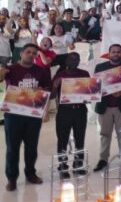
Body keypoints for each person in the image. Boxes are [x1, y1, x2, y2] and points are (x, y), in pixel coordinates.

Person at [2, 43, 51, 191]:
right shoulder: (11, 69)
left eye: (34, 53)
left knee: (31, 148)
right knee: (12, 148)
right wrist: (2, 70)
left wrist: (45, 110)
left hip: (33, 115)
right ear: (21, 53)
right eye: (28, 52)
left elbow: (47, 91)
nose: (31, 54)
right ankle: (12, 178)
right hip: (13, 115)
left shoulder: (41, 71)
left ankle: (30, 174)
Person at [93, 43, 121, 172]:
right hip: (105, 106)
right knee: (105, 134)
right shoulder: (100, 67)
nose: (116, 54)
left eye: (118, 52)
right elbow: (95, 86)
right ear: (109, 53)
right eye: (113, 52)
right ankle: (103, 159)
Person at [52, 52, 89, 178]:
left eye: (77, 59)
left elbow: (90, 91)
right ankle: (63, 166)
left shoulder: (84, 74)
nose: (74, 61)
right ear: (66, 61)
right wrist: (54, 86)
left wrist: (90, 94)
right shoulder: (59, 75)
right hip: (64, 111)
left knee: (80, 139)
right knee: (62, 140)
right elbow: (51, 96)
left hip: (80, 110)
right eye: (71, 59)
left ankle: (78, 165)